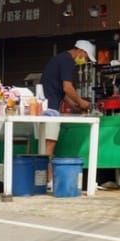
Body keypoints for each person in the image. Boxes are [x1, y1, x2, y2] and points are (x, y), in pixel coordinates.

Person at [38, 39, 94, 190]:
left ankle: (44, 179)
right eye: (86, 58)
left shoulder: (60, 59)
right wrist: (81, 102)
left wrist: (75, 105)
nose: (84, 61)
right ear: (81, 52)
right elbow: (67, 87)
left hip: (45, 105)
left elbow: (63, 93)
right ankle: (48, 180)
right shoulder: (68, 61)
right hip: (50, 109)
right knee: (49, 144)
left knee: (45, 144)